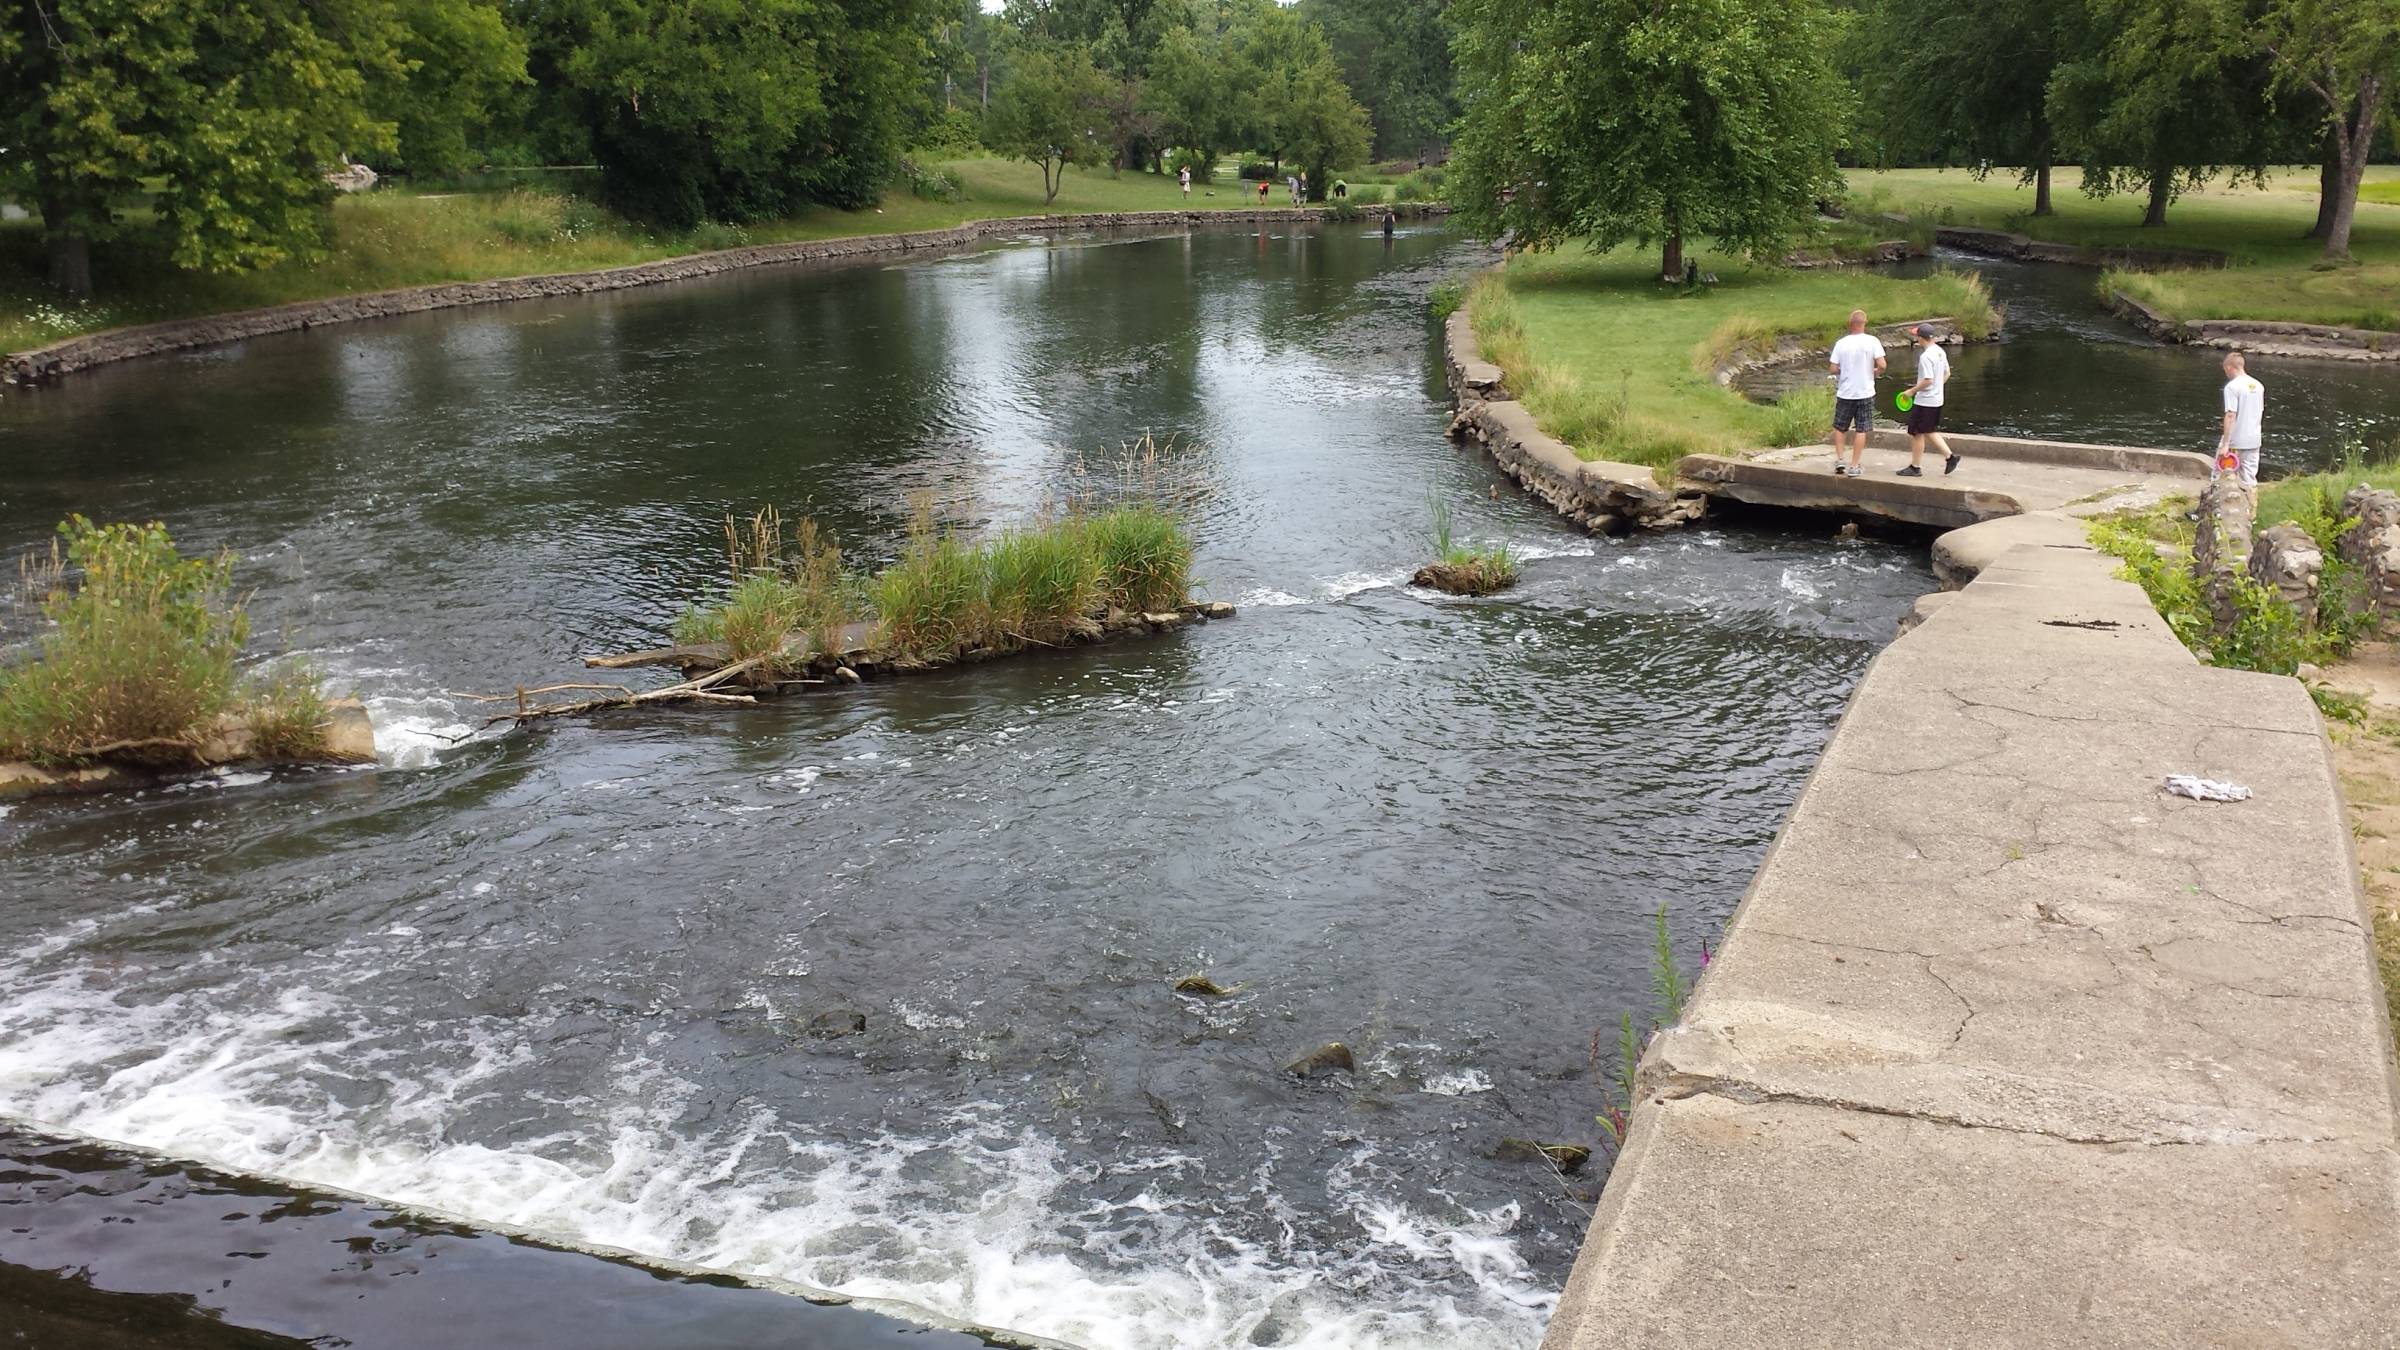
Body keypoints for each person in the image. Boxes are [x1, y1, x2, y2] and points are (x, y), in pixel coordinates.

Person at [1827, 309, 1886, 477]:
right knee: (1861, 428)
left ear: (1850, 324)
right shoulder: (1872, 341)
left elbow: (1832, 368)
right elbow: (1882, 365)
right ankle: (1854, 466)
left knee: (1840, 427)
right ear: (1864, 323)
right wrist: (1874, 372)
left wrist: (1843, 370)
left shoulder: (1841, 343)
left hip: (1845, 392)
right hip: (1865, 392)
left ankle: (1840, 460)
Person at [1898, 324, 1959, 477]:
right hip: (1937, 399)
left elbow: (1927, 380)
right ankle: (1950, 457)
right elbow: (1947, 373)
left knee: (1917, 432)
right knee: (1928, 430)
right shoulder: (1939, 351)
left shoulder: (1926, 357)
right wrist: (1938, 388)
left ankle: (1915, 467)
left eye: (1916, 336)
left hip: (1925, 401)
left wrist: (1910, 392)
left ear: (1920, 338)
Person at [2218, 351, 2266, 487]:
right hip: (2254, 440)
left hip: (2235, 442)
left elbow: (2230, 415)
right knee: (2249, 479)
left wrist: (2226, 444)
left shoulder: (2232, 387)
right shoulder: (2258, 385)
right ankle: (2251, 506)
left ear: (2228, 367)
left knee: (2221, 477)